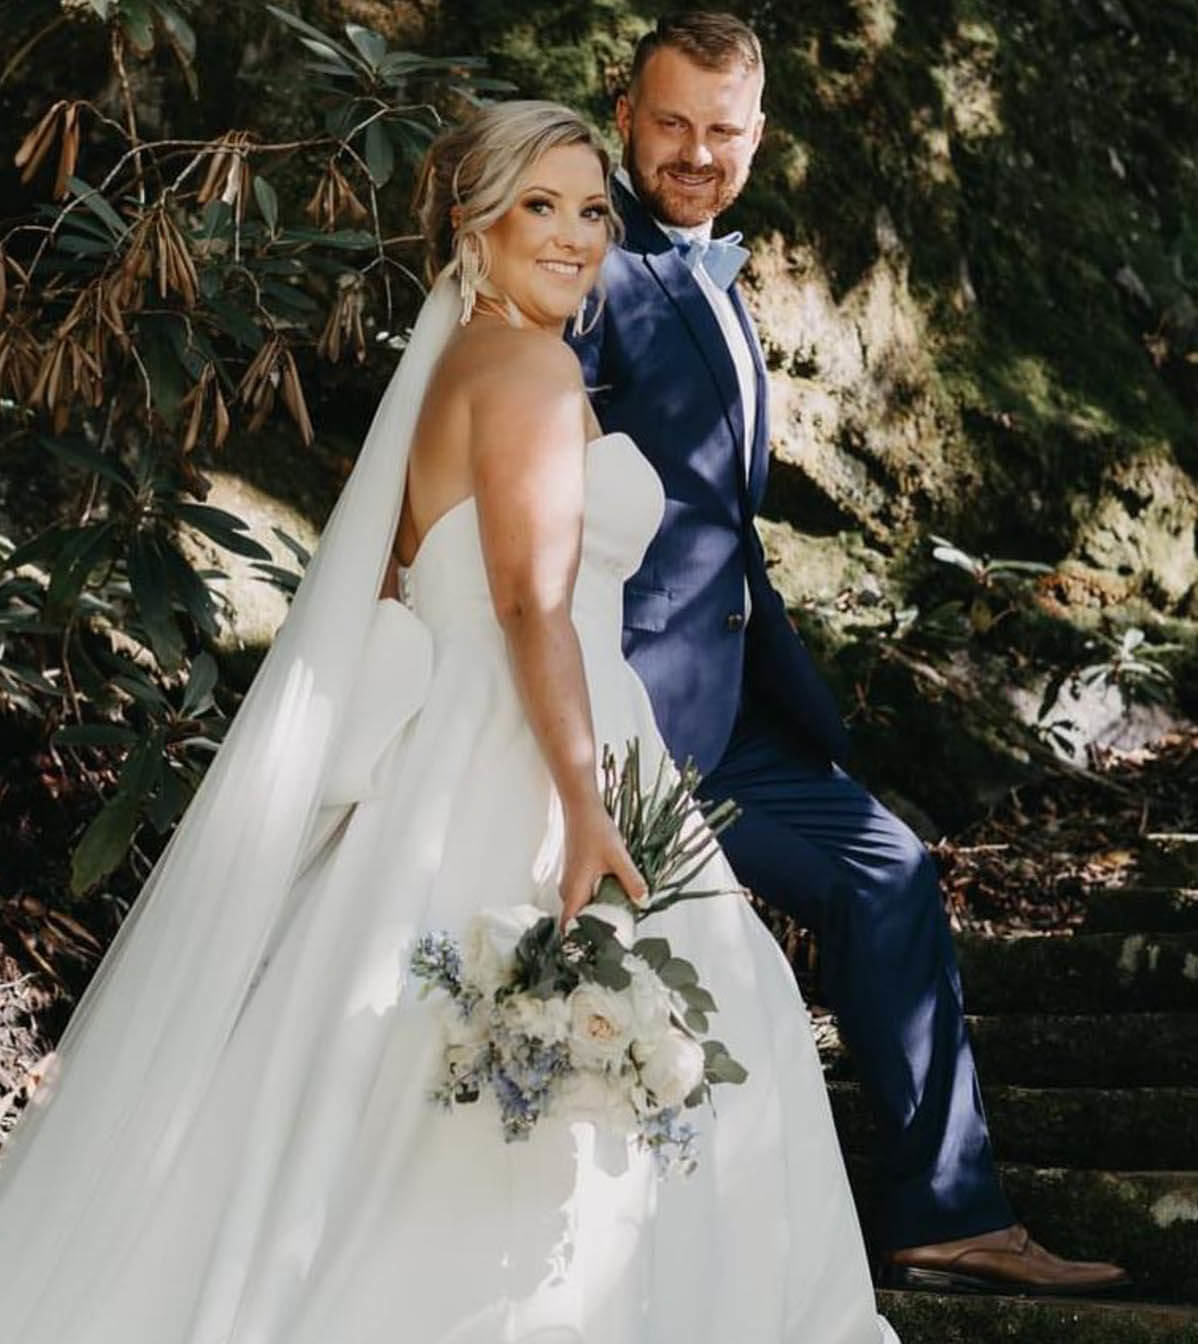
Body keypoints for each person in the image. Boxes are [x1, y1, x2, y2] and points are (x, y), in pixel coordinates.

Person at [0, 101, 899, 1343]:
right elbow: (533, 602)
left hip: (465, 737)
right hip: (538, 752)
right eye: (543, 206)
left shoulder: (462, 368)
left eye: (594, 210)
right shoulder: (525, 367)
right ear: (474, 221)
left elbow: (402, 588)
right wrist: (585, 810)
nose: (579, 237)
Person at [569, 11, 1128, 1297]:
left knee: (889, 870)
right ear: (625, 114)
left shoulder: (715, 276)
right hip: (632, 719)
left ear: (758, 138)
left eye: (723, 131)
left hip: (738, 710)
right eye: (671, 125)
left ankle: (947, 1209)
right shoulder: (586, 261)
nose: (696, 154)